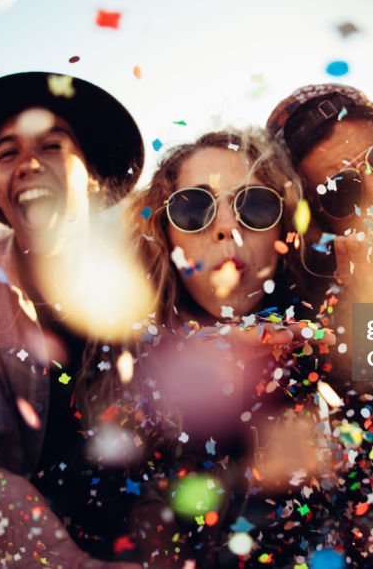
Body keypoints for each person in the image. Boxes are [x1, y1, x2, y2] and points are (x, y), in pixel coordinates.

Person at [0, 72, 148, 568]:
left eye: (53, 146)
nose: (29, 165)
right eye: (7, 154)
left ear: (93, 174)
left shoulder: (155, 270)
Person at [129, 128, 335, 567]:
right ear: (165, 235)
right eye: (193, 208)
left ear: (286, 229)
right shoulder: (115, 352)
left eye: (255, 205)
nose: (227, 227)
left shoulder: (328, 337)